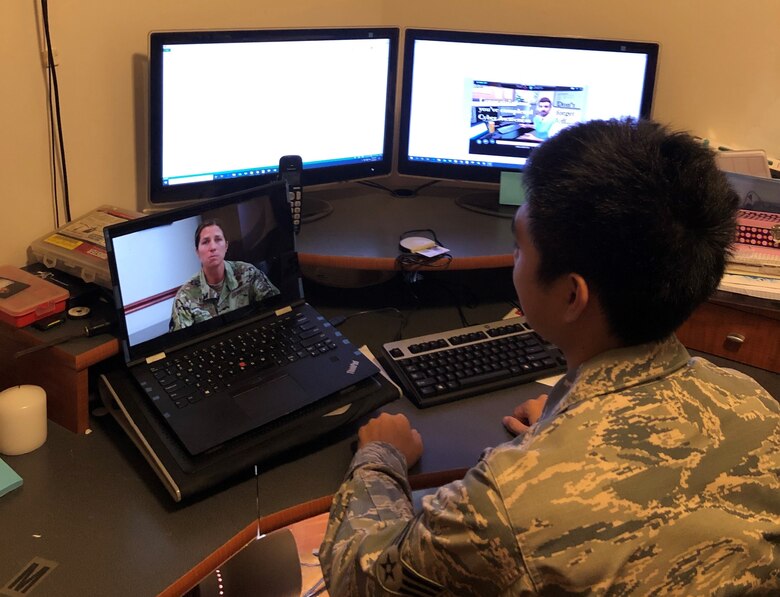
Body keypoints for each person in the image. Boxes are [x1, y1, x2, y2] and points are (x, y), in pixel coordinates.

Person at [318, 119, 780, 595]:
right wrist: (565, 421)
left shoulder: (505, 504)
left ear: (571, 295)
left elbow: (360, 579)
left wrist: (380, 456)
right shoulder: (756, 406)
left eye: (518, 248)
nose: (513, 261)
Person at [169, 219, 279, 330]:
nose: (213, 247)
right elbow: (183, 343)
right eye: (205, 242)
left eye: (218, 239)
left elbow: (277, 308)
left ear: (226, 246)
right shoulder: (185, 297)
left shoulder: (248, 273)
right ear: (197, 251)